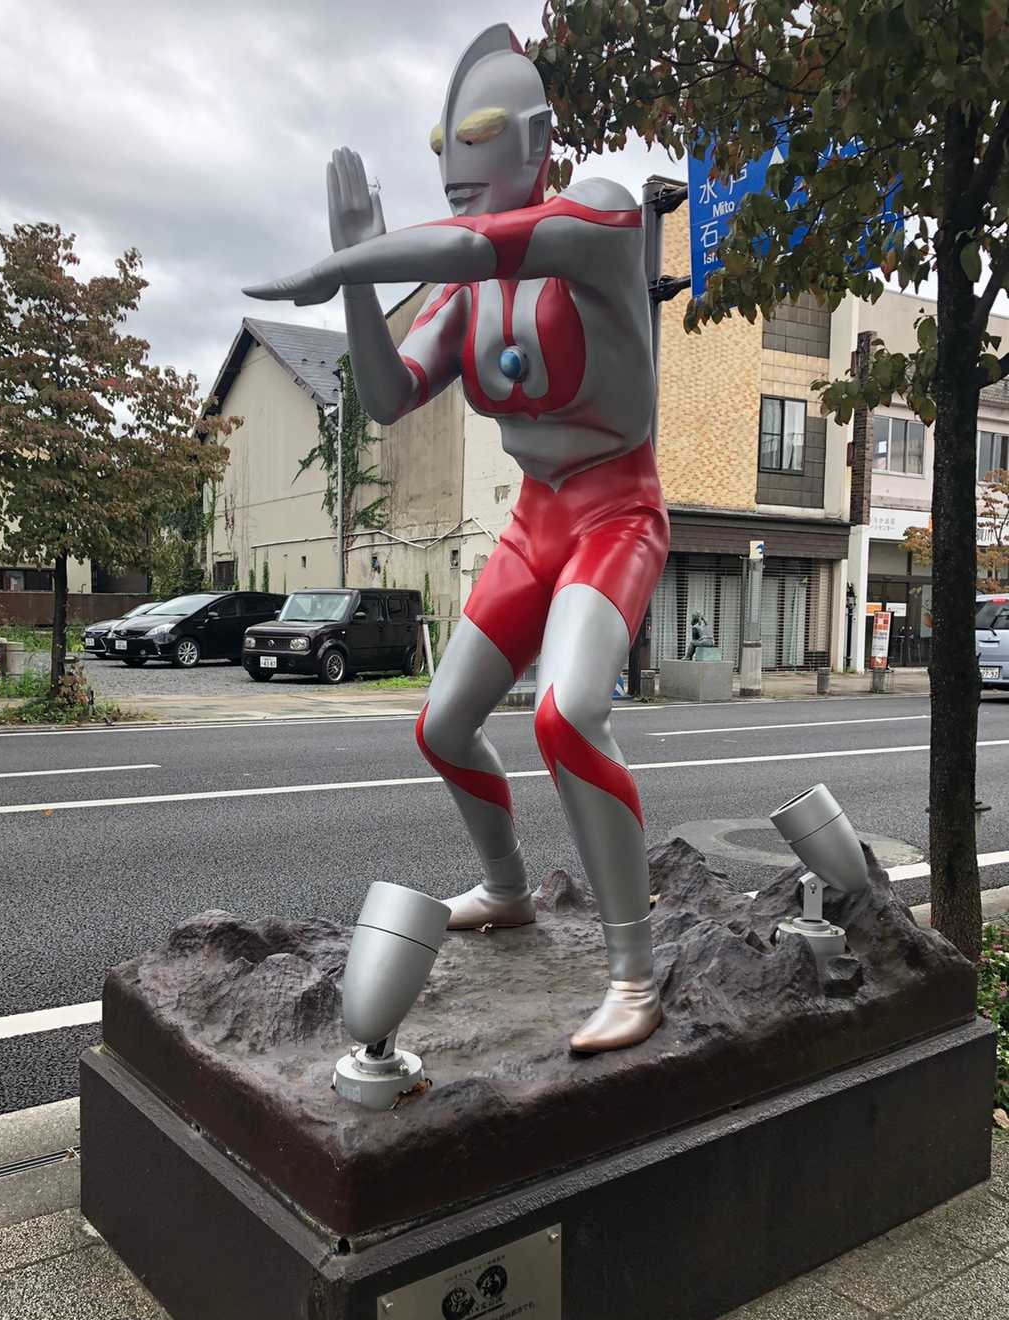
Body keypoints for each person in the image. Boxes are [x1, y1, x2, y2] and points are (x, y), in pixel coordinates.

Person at [245, 23, 670, 1052]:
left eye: (476, 136)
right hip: (534, 520)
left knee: (569, 715)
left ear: (534, 142)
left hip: (615, 511)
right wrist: (357, 283)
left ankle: (633, 971)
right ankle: (507, 887)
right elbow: (387, 395)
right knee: (442, 723)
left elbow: (475, 244)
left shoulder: (599, 216)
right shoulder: (464, 297)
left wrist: (343, 258)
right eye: (444, 145)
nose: (455, 166)